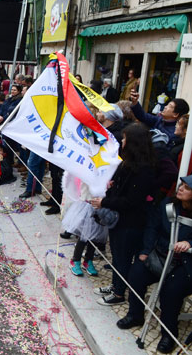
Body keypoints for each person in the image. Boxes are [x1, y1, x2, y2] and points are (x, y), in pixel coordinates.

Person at [115, 176, 192, 353]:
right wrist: (145, 251)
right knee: (136, 273)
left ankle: (168, 333)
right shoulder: (169, 205)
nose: (180, 189)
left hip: (185, 264)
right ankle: (135, 315)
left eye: (187, 188)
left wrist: (189, 243)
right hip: (162, 255)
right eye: (182, 185)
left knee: (171, 291)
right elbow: (152, 227)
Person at [90, 123, 156, 306]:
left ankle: (119, 293)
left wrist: (104, 202)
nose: (122, 141)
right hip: (119, 221)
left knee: (123, 257)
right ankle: (115, 285)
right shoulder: (127, 162)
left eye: (126, 138)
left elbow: (131, 201)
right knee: (117, 256)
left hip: (130, 222)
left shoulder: (143, 170)